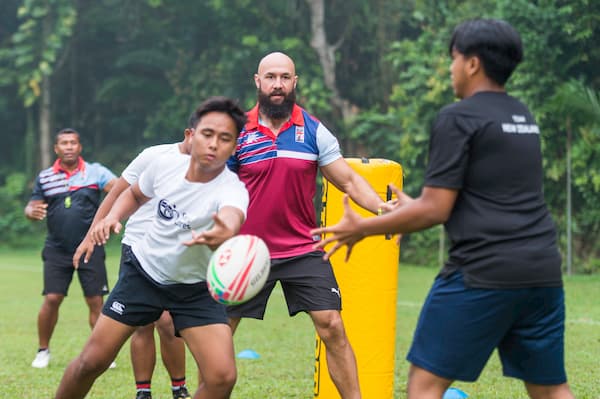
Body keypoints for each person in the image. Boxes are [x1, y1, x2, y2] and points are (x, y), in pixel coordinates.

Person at [311, 19, 575, 399]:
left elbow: (436, 210)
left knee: (424, 386)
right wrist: (413, 205)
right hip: (542, 273)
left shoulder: (457, 117)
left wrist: (362, 228)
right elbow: (480, 198)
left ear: (472, 64)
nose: (451, 68)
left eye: (453, 58)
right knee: (551, 390)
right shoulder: (523, 117)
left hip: (482, 273)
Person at [53, 96, 248, 399]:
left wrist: (225, 229)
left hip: (194, 289)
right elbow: (133, 194)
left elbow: (232, 214)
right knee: (92, 362)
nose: (213, 144)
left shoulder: (232, 188)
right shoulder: (164, 164)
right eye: (208, 134)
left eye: (225, 139)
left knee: (222, 377)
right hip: (143, 275)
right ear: (192, 134)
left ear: (234, 147)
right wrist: (112, 218)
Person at [226, 51, 385, 399]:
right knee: (220, 332)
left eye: (285, 77)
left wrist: (381, 208)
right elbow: (215, 188)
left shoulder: (313, 130)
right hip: (247, 250)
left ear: (295, 82)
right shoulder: (237, 132)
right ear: (258, 81)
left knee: (332, 326)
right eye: (271, 77)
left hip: (303, 248)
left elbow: (348, 181)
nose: (278, 85)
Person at [73, 129, 196, 399]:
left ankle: (179, 389)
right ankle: (143, 392)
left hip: (175, 252)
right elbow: (116, 194)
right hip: (138, 247)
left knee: (168, 322)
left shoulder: (212, 166)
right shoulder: (154, 155)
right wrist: (90, 236)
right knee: (143, 323)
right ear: (190, 133)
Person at [24, 128, 117, 369]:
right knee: (52, 298)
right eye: (63, 143)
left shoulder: (97, 173)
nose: (68, 147)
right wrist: (30, 212)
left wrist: (112, 217)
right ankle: (43, 351)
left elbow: (121, 191)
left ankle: (103, 354)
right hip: (57, 248)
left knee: (96, 301)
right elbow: (32, 208)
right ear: (56, 148)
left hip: (91, 246)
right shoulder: (45, 177)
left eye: (73, 142)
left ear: (79, 147)